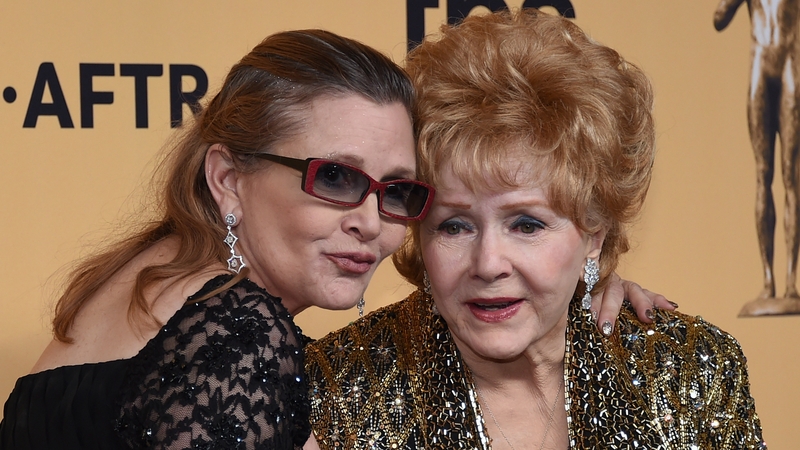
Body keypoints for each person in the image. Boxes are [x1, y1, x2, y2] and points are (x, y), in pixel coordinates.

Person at [0, 25, 667, 450]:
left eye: (396, 191)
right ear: (228, 178)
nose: (371, 223)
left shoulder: (142, 285)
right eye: (337, 178)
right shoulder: (237, 333)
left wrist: (569, 285)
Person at [305, 8, 766, 449]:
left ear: (594, 234)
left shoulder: (688, 369)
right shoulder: (333, 391)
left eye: (526, 225)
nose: (488, 264)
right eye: (454, 226)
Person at [714, 0, 800, 316]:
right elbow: (719, 18)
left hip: (792, 61)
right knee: (763, 175)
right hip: (760, 62)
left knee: (791, 176)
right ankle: (768, 280)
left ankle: (790, 282)